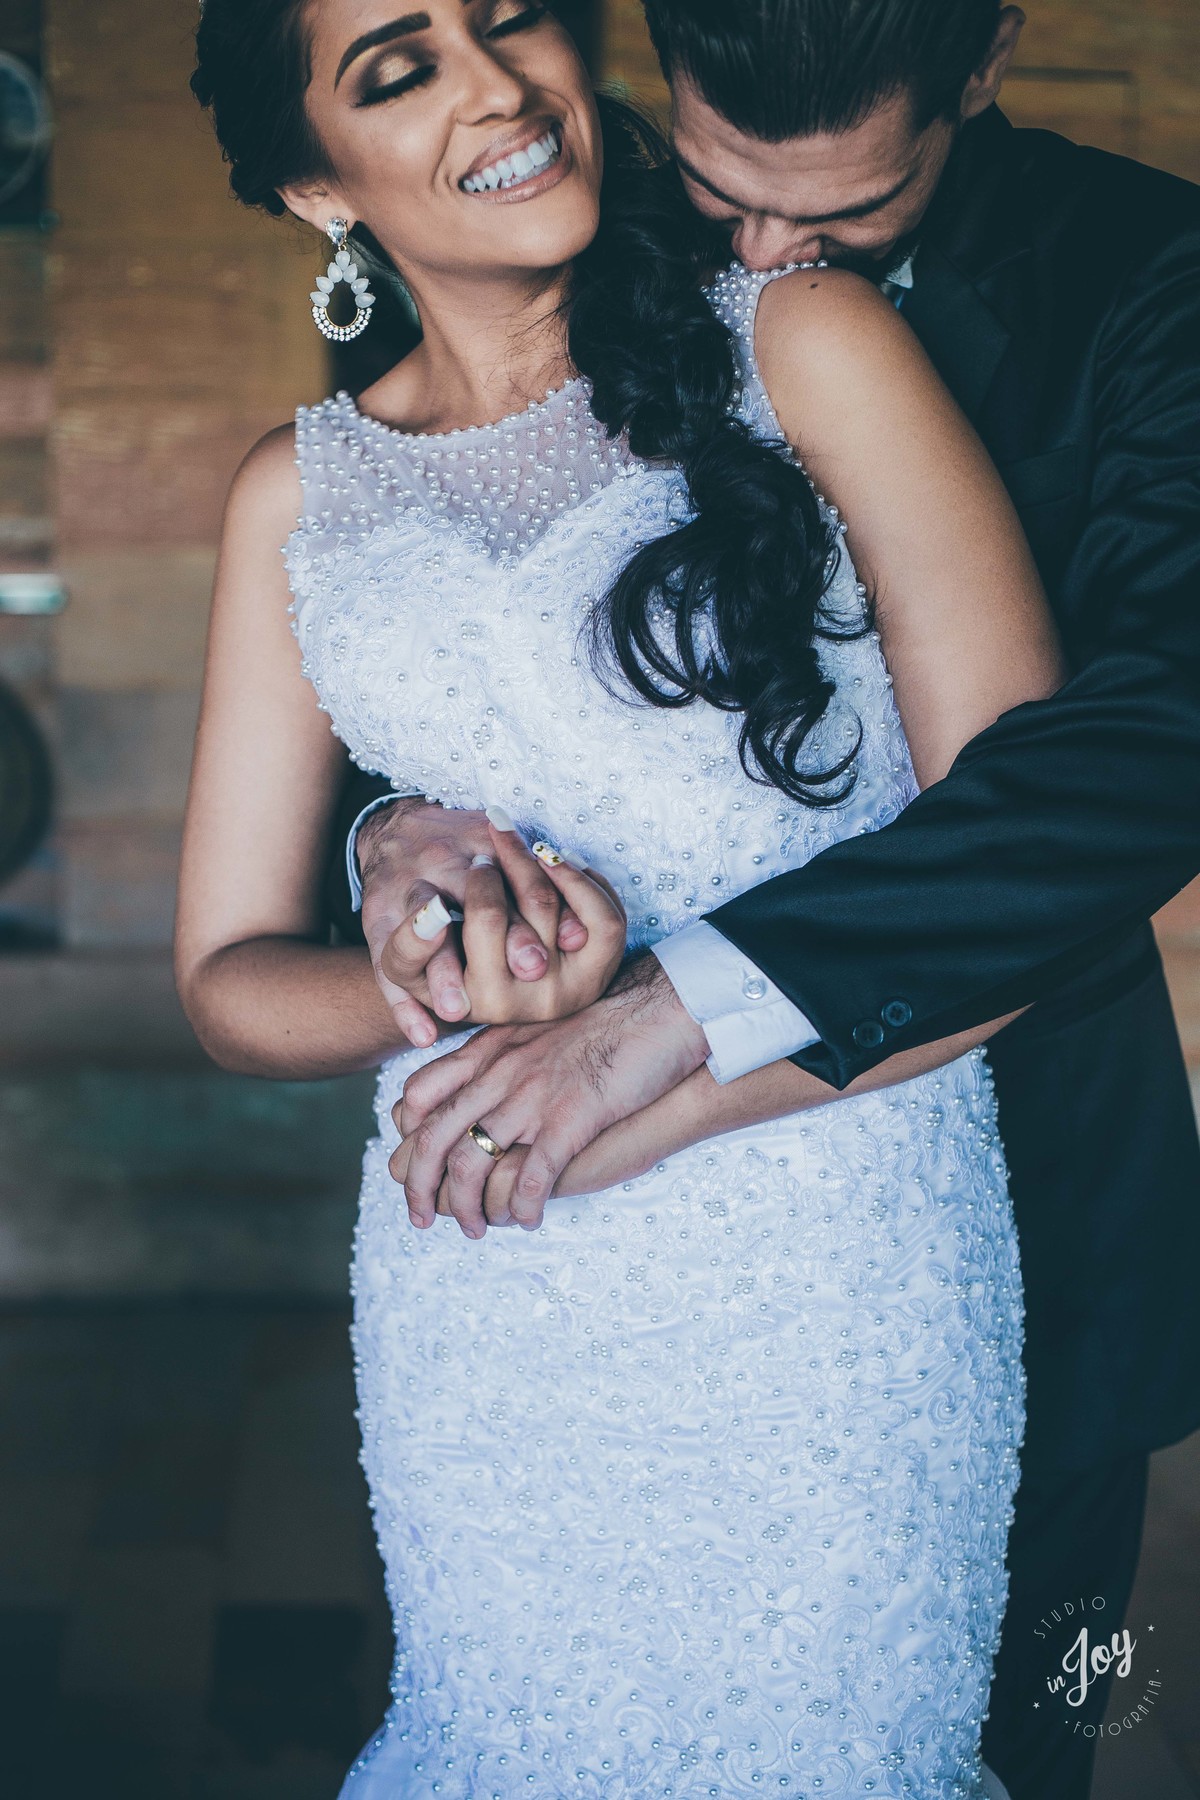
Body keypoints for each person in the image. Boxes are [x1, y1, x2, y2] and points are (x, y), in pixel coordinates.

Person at [177, 1, 1066, 1793]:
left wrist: (646, 1089)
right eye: (398, 66)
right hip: (490, 1280)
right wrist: (432, 964)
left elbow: (1026, 883)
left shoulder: (805, 345)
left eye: (511, 20)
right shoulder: (298, 498)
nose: (497, 83)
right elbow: (226, 982)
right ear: (310, 186)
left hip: (827, 1268)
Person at [351, 3, 1200, 1794]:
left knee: (1031, 1732)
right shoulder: (555, 229)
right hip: (605, 1263)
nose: (764, 257)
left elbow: (1155, 745)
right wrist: (380, 834)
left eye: (848, 212)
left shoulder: (1156, 280)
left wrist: (678, 1017)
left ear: (982, 67)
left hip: (1020, 1169)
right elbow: (417, 608)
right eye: (723, 187)